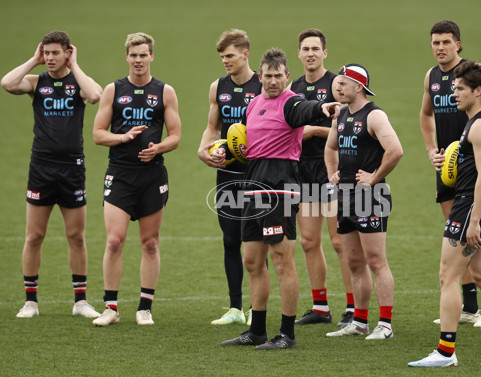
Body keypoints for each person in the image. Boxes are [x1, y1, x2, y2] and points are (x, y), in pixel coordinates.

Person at [409, 61, 481, 367]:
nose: (453, 94)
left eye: (460, 89)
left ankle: (445, 352)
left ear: (478, 91)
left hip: (472, 206)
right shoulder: (475, 122)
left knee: (448, 276)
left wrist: (473, 220)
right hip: (478, 206)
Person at [221, 48, 340, 350]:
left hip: (280, 189)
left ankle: (287, 333)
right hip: (254, 187)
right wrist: (224, 150)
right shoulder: (253, 105)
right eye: (268, 75)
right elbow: (248, 142)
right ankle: (257, 331)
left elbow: (307, 109)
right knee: (252, 261)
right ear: (259, 76)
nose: (273, 81)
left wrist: (322, 108)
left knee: (281, 260)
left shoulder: (291, 103)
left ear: (288, 77)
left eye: (279, 76)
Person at [1, 30, 102, 319]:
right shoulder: (37, 82)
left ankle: (80, 301)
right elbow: (7, 83)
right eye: (46, 53)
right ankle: (30, 301)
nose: (49, 58)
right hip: (41, 168)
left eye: (55, 53)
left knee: (76, 236)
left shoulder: (77, 83)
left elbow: (94, 95)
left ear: (67, 53)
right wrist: (32, 61)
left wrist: (75, 66)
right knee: (34, 236)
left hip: (72, 169)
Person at [420, 20, 481, 327]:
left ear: (458, 44)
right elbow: (425, 114)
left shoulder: (474, 74)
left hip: (473, 172)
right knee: (456, 230)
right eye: (435, 42)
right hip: (449, 170)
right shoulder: (431, 77)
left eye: (446, 42)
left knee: (476, 234)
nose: (440, 48)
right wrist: (433, 149)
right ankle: (470, 306)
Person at [91, 32, 181, 326]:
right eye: (134, 55)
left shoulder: (165, 91)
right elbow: (97, 134)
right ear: (126, 57)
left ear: (151, 56)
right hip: (120, 174)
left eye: (144, 55)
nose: (139, 60)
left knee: (150, 243)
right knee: (115, 241)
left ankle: (145, 307)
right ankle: (111, 308)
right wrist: (123, 137)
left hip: (152, 176)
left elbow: (176, 136)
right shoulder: (113, 90)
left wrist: (158, 148)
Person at [324, 64, 403, 340]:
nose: (338, 87)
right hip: (345, 196)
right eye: (337, 83)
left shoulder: (375, 116)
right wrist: (332, 174)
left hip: (371, 196)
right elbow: (331, 147)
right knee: (354, 262)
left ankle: (385, 324)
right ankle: (359, 322)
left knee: (376, 261)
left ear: (359, 86)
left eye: (343, 83)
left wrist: (374, 177)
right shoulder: (342, 115)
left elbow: (396, 150)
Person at [289, 28, 354, 327]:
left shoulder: (337, 85)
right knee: (308, 241)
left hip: (333, 169)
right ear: (299, 54)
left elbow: (350, 129)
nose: (311, 53)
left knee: (340, 242)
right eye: (306, 49)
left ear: (325, 53)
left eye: (316, 48)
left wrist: (314, 131)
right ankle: (320, 307)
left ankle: (353, 308)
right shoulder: (294, 86)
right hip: (305, 170)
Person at [197, 29, 262, 326]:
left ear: (245, 54)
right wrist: (205, 149)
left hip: (257, 175)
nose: (225, 61)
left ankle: (255, 308)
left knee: (255, 242)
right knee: (229, 239)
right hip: (227, 175)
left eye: (230, 56)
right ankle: (235, 307)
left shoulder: (263, 84)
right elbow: (213, 127)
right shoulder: (218, 87)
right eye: (222, 57)